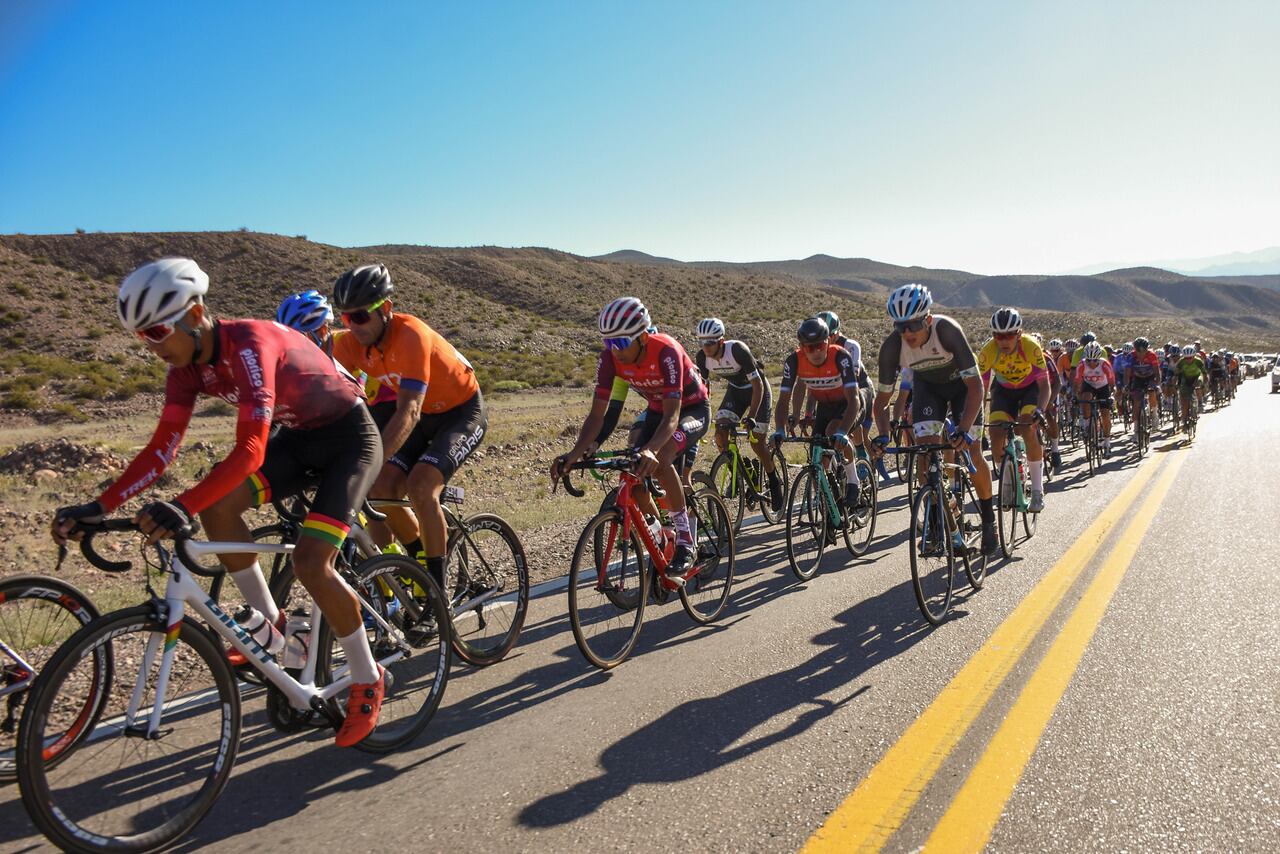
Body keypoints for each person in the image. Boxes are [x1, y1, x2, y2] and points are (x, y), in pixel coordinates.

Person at [54, 258, 386, 747]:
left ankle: (367, 676)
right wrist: (100, 505)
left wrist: (180, 505)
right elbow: (161, 448)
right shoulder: (185, 370)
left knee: (313, 562)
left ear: (195, 313)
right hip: (299, 440)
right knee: (217, 506)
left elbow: (250, 449)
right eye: (142, 337)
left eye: (158, 330)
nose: (154, 346)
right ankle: (273, 628)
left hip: (350, 439)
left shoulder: (250, 343)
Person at [329, 264, 487, 600]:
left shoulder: (411, 334)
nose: (352, 326)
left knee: (421, 485)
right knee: (380, 487)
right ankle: (417, 559)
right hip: (425, 415)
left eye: (360, 317)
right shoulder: (349, 345)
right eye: (345, 318)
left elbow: (408, 410)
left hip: (461, 412)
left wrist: (368, 461)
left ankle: (437, 588)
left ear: (385, 309)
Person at [552, 297, 710, 578]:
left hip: (690, 409)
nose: (615, 351)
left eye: (621, 343)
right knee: (632, 469)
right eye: (609, 343)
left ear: (643, 336)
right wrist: (573, 455)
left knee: (660, 459)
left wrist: (651, 449)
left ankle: (686, 540)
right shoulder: (609, 359)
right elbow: (597, 415)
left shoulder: (666, 351)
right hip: (656, 410)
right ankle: (660, 534)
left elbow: (672, 417)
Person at [869, 284, 996, 554]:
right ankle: (944, 525)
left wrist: (963, 429)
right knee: (926, 452)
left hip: (964, 390)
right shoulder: (892, 348)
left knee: (972, 450)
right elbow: (880, 402)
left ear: (927, 319)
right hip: (929, 390)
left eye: (913, 324)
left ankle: (988, 521)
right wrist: (881, 435)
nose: (906, 333)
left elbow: (976, 387)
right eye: (899, 326)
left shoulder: (947, 331)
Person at [771, 317, 864, 513]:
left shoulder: (841, 356)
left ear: (828, 342)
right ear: (801, 347)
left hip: (848, 404)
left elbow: (854, 399)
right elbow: (783, 400)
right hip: (825, 406)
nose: (816, 352)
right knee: (817, 460)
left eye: (820, 345)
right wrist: (780, 428)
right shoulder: (794, 360)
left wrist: (844, 432)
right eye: (809, 347)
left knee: (834, 432)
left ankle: (853, 481)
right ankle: (828, 504)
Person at [694, 317, 784, 511]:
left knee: (756, 442)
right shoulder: (702, 357)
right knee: (720, 432)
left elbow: (757, 384)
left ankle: (774, 482)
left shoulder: (736, 350)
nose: (705, 347)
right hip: (735, 391)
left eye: (709, 342)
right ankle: (745, 469)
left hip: (757, 390)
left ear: (720, 341)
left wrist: (751, 416)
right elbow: (703, 388)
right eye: (701, 342)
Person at [977, 308, 1051, 512]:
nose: (1004, 341)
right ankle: (1007, 482)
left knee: (1028, 428)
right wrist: (978, 421)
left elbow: (1045, 385)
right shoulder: (988, 352)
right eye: (998, 335)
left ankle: (1037, 489)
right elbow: (980, 390)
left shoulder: (1030, 346)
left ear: (1019, 334)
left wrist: (1041, 410)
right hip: (1003, 391)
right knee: (995, 432)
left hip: (1029, 390)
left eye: (1009, 335)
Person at [1073, 341, 1116, 456]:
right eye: (1089, 360)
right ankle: (1087, 425)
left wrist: (1111, 395)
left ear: (1099, 358)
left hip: (1103, 386)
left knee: (1105, 413)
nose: (1091, 363)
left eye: (1095, 360)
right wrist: (1075, 396)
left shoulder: (1104, 364)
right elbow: (1077, 382)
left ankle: (1107, 442)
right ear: (1085, 358)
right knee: (1085, 398)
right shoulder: (1082, 365)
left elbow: (1112, 382)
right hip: (1089, 386)